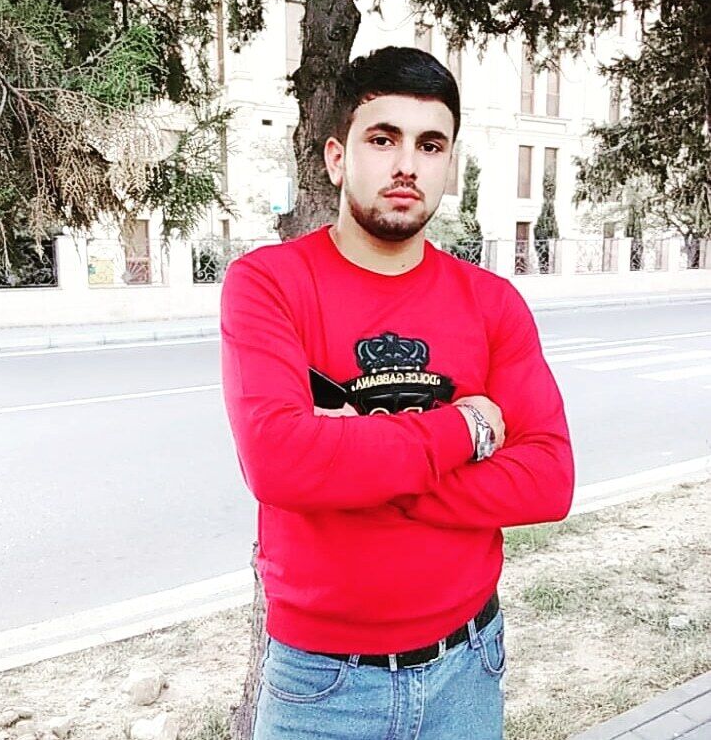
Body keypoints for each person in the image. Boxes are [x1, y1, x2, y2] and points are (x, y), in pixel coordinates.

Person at [220, 46, 575, 740]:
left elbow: (548, 480)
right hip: (320, 685)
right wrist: (467, 431)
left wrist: (355, 463)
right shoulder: (270, 284)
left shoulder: (491, 303)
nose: (406, 164)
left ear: (448, 164)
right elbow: (278, 462)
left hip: (466, 666)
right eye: (382, 139)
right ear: (336, 157)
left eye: (429, 144)